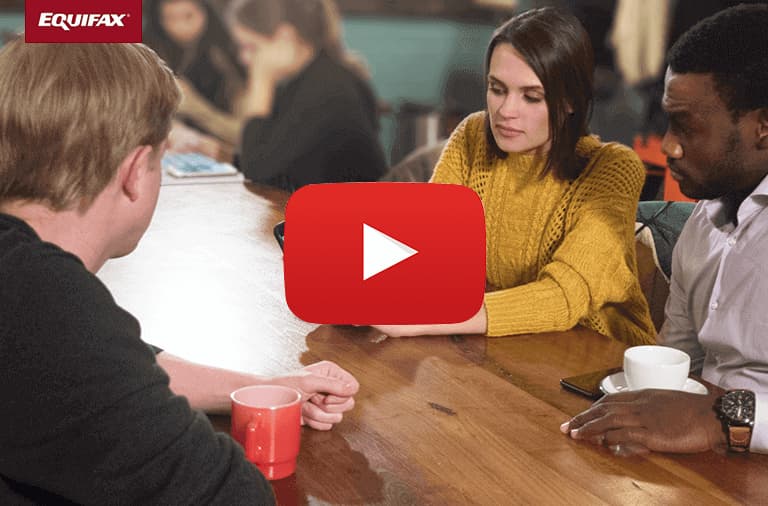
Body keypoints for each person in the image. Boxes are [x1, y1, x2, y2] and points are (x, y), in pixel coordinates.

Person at [0, 40, 357, 504]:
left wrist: (264, 388)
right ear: (134, 171)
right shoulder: (46, 306)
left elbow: (116, 368)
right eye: (159, 160)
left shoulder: (25, 281)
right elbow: (230, 495)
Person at [372, 7, 655, 346]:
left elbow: (564, 297)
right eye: (497, 88)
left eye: (531, 96)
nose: (506, 111)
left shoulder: (612, 169)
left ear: (569, 102)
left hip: (598, 363)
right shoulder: (473, 135)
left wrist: (430, 317)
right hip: (502, 348)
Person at [561, 4, 768, 455]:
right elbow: (678, 359)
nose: (669, 146)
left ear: (762, 127)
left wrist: (724, 417)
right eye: (667, 122)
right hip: (705, 459)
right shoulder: (703, 222)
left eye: (687, 127)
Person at [228, 0, 388, 192]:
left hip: (355, 217)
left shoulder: (327, 89)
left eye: (251, 47)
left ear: (285, 37)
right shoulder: (302, 81)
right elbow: (257, 154)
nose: (243, 58)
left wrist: (261, 81)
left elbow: (257, 170)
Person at [144, 0, 246, 148]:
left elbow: (248, 135)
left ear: (206, 13)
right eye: (170, 18)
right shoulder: (151, 51)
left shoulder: (230, 59)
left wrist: (197, 108)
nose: (180, 27)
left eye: (188, 16)